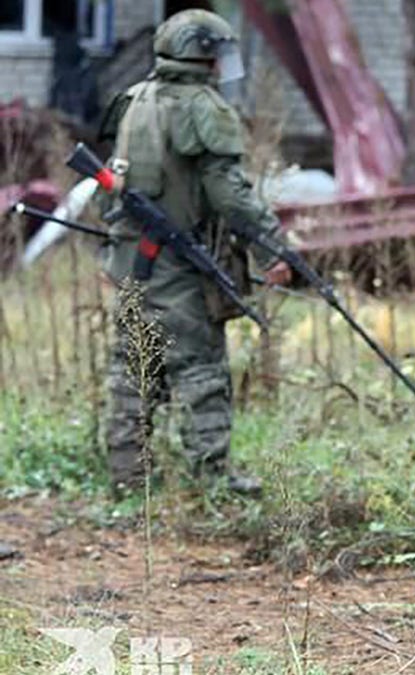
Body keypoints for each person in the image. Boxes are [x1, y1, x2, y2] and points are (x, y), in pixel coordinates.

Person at [97, 9, 291, 497]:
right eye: (219, 55)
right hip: (178, 265)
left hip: (132, 259)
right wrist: (271, 248)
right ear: (202, 56)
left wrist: (111, 247)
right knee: (200, 367)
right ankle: (211, 479)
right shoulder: (204, 108)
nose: (224, 65)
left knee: (134, 368)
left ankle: (127, 479)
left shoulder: (135, 99)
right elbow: (230, 195)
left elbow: (111, 184)